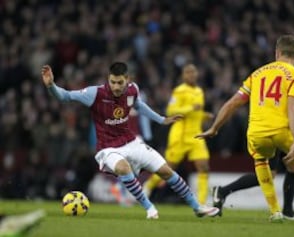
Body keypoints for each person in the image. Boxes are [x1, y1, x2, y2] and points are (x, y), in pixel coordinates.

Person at [196, 35, 294, 226]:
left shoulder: (256, 74)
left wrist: (215, 127)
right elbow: (293, 107)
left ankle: (277, 212)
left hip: (256, 132)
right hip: (282, 130)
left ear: (277, 52)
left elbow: (233, 103)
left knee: (263, 162)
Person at [41, 62, 219, 219]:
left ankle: (197, 207)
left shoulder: (133, 89)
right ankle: (149, 207)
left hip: (131, 142)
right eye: (112, 82)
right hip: (108, 148)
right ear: (108, 79)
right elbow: (65, 96)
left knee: (166, 171)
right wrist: (51, 86)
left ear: (127, 79)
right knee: (122, 168)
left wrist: (162, 119)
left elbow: (139, 105)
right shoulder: (95, 93)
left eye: (120, 82)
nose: (116, 86)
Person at [212, 38, 294, 220]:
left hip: (270, 128)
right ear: (292, 54)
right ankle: (286, 211)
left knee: (288, 166)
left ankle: (286, 210)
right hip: (274, 127)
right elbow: (286, 106)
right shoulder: (293, 76)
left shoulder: (282, 74)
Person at [143, 64, 213, 205]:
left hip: (196, 135)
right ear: (183, 76)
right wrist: (191, 107)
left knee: (204, 166)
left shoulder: (199, 91)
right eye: (188, 72)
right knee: (168, 168)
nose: (191, 75)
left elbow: (196, 112)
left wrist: (204, 115)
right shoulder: (179, 91)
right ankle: (149, 186)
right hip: (180, 135)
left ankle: (201, 203)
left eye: (193, 72)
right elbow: (171, 111)